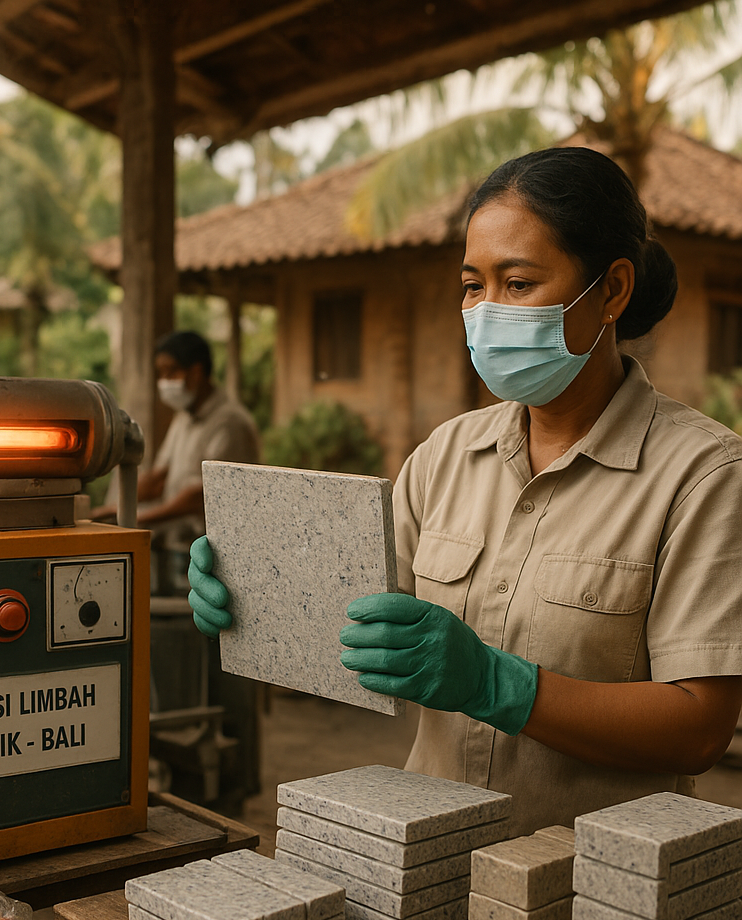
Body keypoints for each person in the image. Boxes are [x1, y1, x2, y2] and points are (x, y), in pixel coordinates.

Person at [187, 147, 742, 836]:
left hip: (595, 892)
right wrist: (251, 596)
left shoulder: (702, 475)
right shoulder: (445, 456)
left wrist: (495, 684)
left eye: (518, 283)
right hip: (426, 862)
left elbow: (699, 729)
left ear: (613, 290)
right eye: (473, 285)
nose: (485, 312)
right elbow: (353, 623)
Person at [94, 329, 260, 586]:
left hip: (214, 553)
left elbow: (197, 498)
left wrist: (125, 517)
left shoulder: (230, 423)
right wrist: (113, 507)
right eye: (161, 373)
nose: (165, 381)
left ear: (196, 371)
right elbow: (160, 478)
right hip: (178, 541)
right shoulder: (183, 418)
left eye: (171, 371)